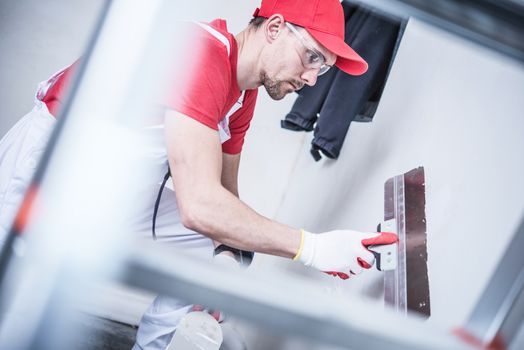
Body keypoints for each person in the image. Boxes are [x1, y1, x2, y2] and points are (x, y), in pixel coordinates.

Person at [0, 0, 397, 349]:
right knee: (18, 314)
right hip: (49, 174)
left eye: (323, 70)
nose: (312, 79)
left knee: (203, 243)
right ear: (275, 28)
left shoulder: (244, 96)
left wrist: (224, 262)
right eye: (312, 58)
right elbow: (201, 206)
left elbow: (225, 196)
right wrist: (312, 248)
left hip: (119, 187)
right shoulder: (202, 51)